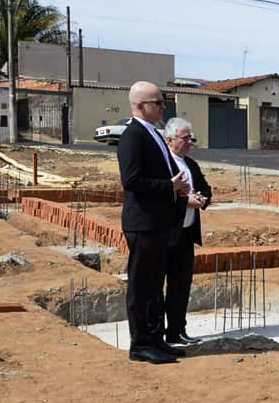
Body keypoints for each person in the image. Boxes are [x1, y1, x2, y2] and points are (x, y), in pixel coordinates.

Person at [118, 81, 189, 364]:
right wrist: (168, 186)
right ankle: (140, 345)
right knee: (142, 286)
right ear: (139, 106)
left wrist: (179, 188)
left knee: (155, 285)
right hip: (143, 223)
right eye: (157, 103)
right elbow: (132, 180)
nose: (163, 107)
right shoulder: (133, 136)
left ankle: (156, 339)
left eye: (162, 102)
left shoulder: (154, 134)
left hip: (159, 224)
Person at [163, 117, 212, 346]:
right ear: (170, 139)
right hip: (165, 234)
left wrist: (202, 199)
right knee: (159, 286)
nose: (190, 142)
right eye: (185, 138)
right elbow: (160, 198)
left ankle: (177, 331)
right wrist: (185, 202)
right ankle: (158, 333)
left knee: (181, 285)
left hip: (186, 234)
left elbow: (205, 188)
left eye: (191, 138)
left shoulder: (190, 164)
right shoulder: (163, 163)